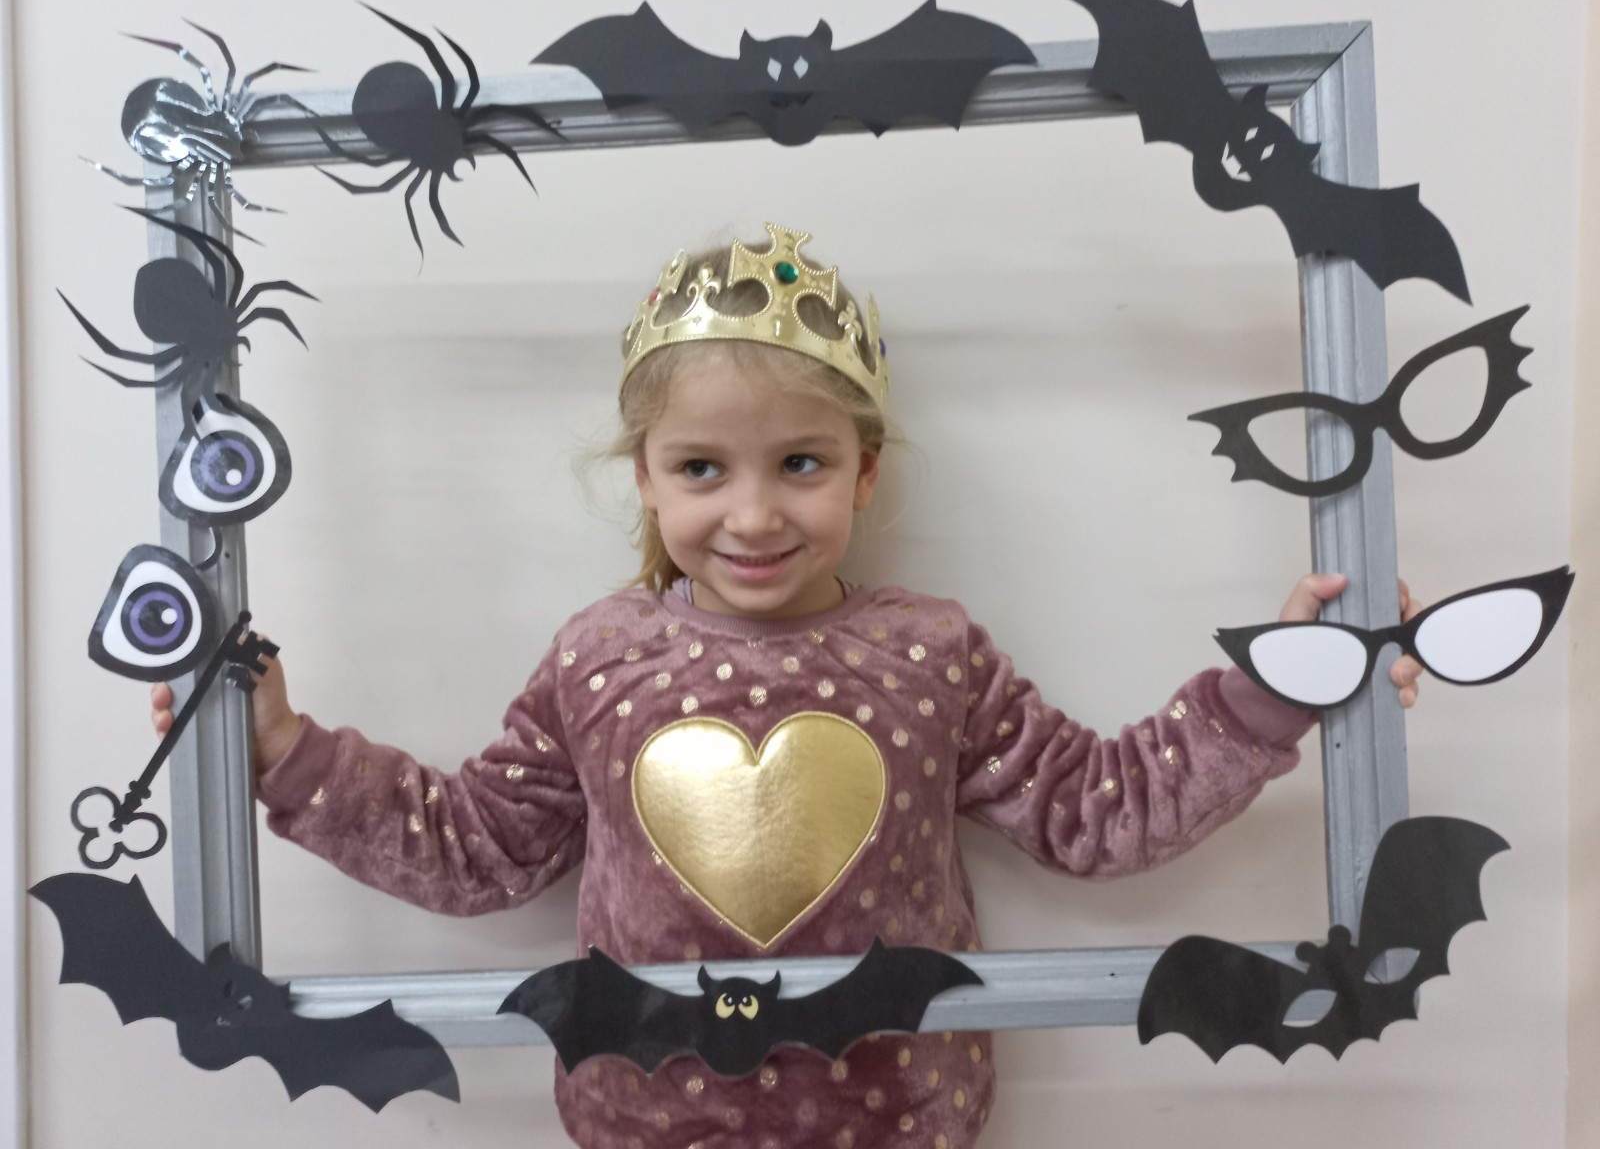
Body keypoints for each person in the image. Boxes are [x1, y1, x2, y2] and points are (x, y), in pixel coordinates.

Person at [152, 223, 1424, 1149]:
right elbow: (480, 846)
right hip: (642, 1121)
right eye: (701, 468)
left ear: (864, 473)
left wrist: (1282, 687)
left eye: (800, 465)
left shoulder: (930, 653)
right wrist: (285, 749)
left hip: (901, 1118)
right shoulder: (599, 657)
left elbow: (1097, 811)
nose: (754, 515)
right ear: (644, 479)